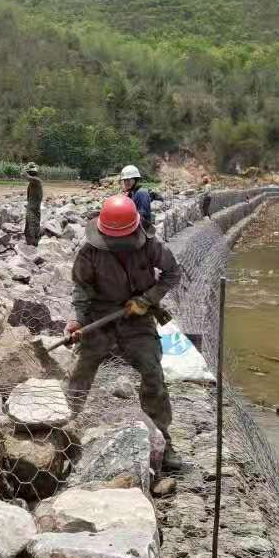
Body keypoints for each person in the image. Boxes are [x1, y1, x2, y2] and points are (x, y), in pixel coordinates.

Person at [64, 193, 184, 469]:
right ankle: (64, 428)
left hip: (137, 317)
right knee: (81, 372)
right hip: (100, 317)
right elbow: (81, 288)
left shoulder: (150, 245)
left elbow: (173, 274)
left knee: (153, 373)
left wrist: (146, 300)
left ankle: (162, 440)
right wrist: (78, 321)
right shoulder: (89, 251)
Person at [119, 164, 164, 234]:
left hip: (142, 230)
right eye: (125, 180)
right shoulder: (131, 193)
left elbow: (142, 217)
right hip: (133, 227)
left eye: (128, 180)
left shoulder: (141, 193)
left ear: (136, 179)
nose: (126, 182)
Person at [24, 161, 43, 245]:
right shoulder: (33, 182)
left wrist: (26, 167)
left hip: (34, 208)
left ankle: (32, 243)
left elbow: (25, 176)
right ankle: (31, 242)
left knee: (32, 224)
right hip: (33, 207)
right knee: (31, 224)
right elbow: (29, 195)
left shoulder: (36, 180)